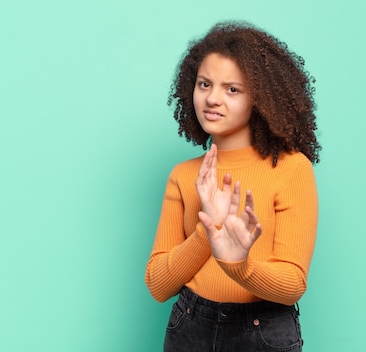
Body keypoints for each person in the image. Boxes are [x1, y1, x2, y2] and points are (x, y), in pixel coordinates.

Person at [145, 21, 321, 352]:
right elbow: (158, 284)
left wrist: (238, 264)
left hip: (263, 332)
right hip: (190, 325)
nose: (212, 99)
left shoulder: (291, 168)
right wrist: (207, 232)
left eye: (232, 89)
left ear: (261, 98)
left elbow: (293, 284)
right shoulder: (184, 176)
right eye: (204, 84)